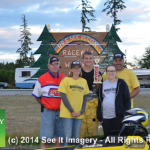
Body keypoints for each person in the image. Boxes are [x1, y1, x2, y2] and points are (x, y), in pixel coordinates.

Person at [32, 56, 65, 149]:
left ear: (59, 65)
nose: (55, 66)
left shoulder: (64, 78)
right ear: (48, 66)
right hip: (48, 112)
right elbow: (37, 96)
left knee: (58, 139)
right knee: (45, 139)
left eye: (57, 64)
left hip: (61, 112)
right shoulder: (42, 79)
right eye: (52, 64)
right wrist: (46, 104)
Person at [58, 60, 90, 146]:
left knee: (76, 138)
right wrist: (71, 111)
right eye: (75, 68)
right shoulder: (66, 80)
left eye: (78, 67)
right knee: (67, 138)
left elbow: (85, 97)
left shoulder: (83, 81)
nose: (77, 69)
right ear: (71, 69)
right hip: (67, 114)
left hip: (79, 114)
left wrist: (81, 111)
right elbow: (63, 96)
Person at [97, 64, 131, 138]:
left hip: (118, 117)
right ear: (106, 72)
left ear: (116, 72)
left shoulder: (121, 83)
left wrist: (125, 114)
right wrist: (99, 116)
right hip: (105, 117)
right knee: (107, 138)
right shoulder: (102, 84)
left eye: (113, 71)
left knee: (118, 138)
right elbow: (100, 100)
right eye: (109, 71)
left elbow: (127, 99)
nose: (111, 73)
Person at [79, 51, 102, 139]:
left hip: (93, 108)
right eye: (86, 58)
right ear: (83, 60)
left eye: (90, 58)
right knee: (79, 135)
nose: (88, 60)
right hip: (80, 107)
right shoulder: (78, 73)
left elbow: (98, 91)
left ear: (93, 60)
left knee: (93, 136)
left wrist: (97, 82)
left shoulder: (97, 73)